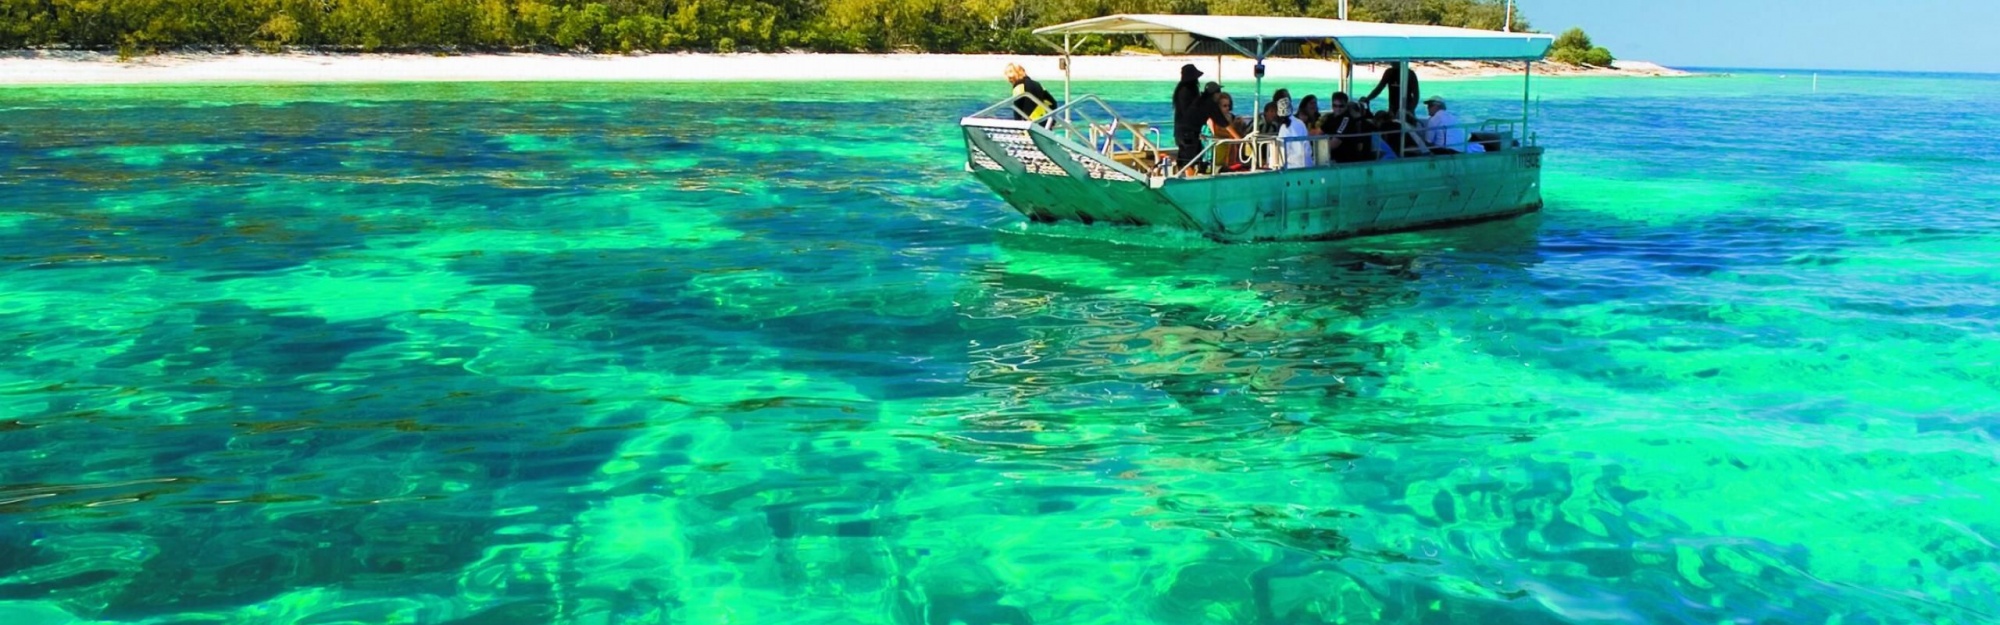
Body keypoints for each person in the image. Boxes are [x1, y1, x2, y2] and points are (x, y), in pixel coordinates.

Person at [1172, 65, 1238, 174]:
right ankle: (1190, 181)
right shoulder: (1202, 99)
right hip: (1189, 134)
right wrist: (1241, 139)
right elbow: (1224, 123)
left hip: (1180, 132)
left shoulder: (1181, 91)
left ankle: (1186, 178)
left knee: (1186, 160)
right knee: (1190, 162)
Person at [1269, 99, 1313, 169]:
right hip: (1307, 165)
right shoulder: (1300, 123)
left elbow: (1282, 153)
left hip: (1292, 167)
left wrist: (1271, 165)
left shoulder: (1284, 128)